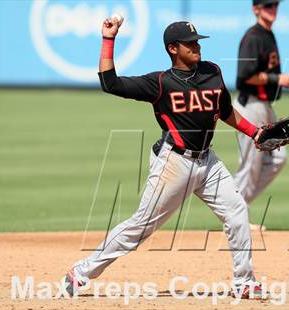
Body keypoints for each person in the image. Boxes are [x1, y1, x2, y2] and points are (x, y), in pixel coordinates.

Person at [63, 18, 274, 300]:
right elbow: (109, 83)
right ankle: (81, 271)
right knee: (141, 227)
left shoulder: (213, 72)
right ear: (173, 48)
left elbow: (225, 111)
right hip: (174, 163)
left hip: (208, 162)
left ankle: (245, 282)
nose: (197, 46)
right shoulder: (160, 83)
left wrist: (254, 133)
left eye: (197, 41)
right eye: (190, 43)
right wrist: (108, 39)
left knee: (236, 210)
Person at [233, 0, 289, 231]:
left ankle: (233, 208)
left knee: (278, 158)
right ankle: (236, 217)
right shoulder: (253, 37)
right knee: (250, 164)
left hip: (266, 106)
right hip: (252, 106)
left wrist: (287, 83)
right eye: (268, 6)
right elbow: (244, 76)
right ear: (255, 9)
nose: (273, 9)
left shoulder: (269, 34)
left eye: (275, 5)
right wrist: (277, 79)